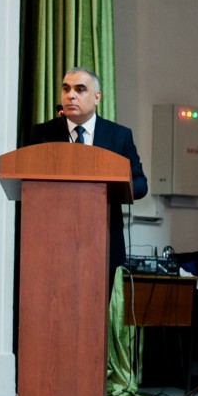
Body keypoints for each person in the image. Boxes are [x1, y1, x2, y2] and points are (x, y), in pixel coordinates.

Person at [28, 67, 149, 278]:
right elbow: (27, 182)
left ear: (97, 97)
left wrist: (112, 186)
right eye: (66, 89)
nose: (70, 95)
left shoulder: (119, 136)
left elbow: (140, 184)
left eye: (80, 89)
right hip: (52, 242)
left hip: (103, 243)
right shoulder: (43, 134)